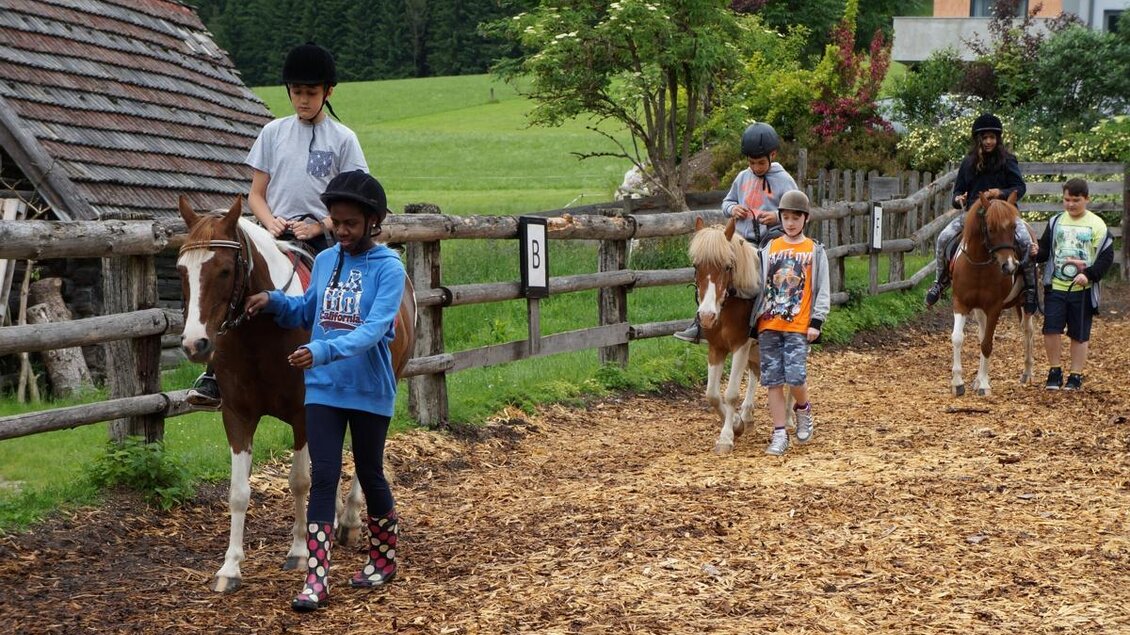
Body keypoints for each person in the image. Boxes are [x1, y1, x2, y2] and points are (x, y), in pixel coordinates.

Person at [243, 170, 404, 611]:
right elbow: (307, 310)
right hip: (324, 388)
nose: (342, 230)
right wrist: (274, 302)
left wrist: (322, 350)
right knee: (323, 478)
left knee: (370, 473)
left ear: (373, 221)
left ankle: (383, 558)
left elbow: (374, 329)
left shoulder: (389, 268)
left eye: (351, 222)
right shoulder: (328, 261)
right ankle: (317, 578)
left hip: (368, 386)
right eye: (336, 221)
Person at [187, 42, 369, 409]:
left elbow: (356, 201)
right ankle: (213, 375)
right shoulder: (272, 133)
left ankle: (346, 360)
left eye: (311, 93)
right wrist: (269, 221)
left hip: (322, 236)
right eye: (297, 92)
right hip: (273, 230)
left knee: (337, 291)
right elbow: (255, 195)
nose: (302, 100)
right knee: (234, 285)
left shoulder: (343, 139)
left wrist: (320, 226)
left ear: (328, 92)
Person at [673, 122, 799, 343]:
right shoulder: (743, 177)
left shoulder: (784, 180)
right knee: (710, 269)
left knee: (767, 279)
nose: (756, 167)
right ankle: (699, 324)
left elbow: (796, 210)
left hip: (770, 242)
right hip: (740, 242)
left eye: (761, 162)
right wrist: (733, 208)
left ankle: (764, 320)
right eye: (752, 163)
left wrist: (776, 217)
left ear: (773, 155)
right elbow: (727, 202)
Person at [925, 113, 1038, 313]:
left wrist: (1000, 193)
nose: (988, 142)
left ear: (998, 138)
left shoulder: (1008, 161)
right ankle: (940, 281)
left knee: (1025, 241)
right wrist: (958, 199)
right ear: (978, 139)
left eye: (992, 137)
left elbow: (1020, 187)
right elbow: (958, 191)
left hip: (1003, 217)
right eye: (984, 137)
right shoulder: (968, 163)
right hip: (973, 216)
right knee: (943, 238)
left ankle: (1029, 288)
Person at [751, 190, 829, 456]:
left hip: (798, 324)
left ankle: (803, 409)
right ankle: (779, 433)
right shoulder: (769, 249)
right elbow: (758, 284)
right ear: (780, 218)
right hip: (769, 324)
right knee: (773, 381)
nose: (791, 222)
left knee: (795, 377)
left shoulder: (814, 251)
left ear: (805, 219)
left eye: (796, 217)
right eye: (785, 217)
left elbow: (823, 289)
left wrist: (816, 321)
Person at [1035, 178, 1114, 391]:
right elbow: (1044, 251)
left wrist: (1089, 275)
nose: (1070, 204)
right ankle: (1055, 370)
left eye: (1076, 200)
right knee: (1051, 329)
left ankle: (1076, 375)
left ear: (1087, 199)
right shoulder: (1055, 222)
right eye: (1067, 199)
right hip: (1056, 286)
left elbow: (1105, 258)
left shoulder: (1097, 224)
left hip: (1082, 289)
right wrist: (1035, 253)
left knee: (1079, 333)